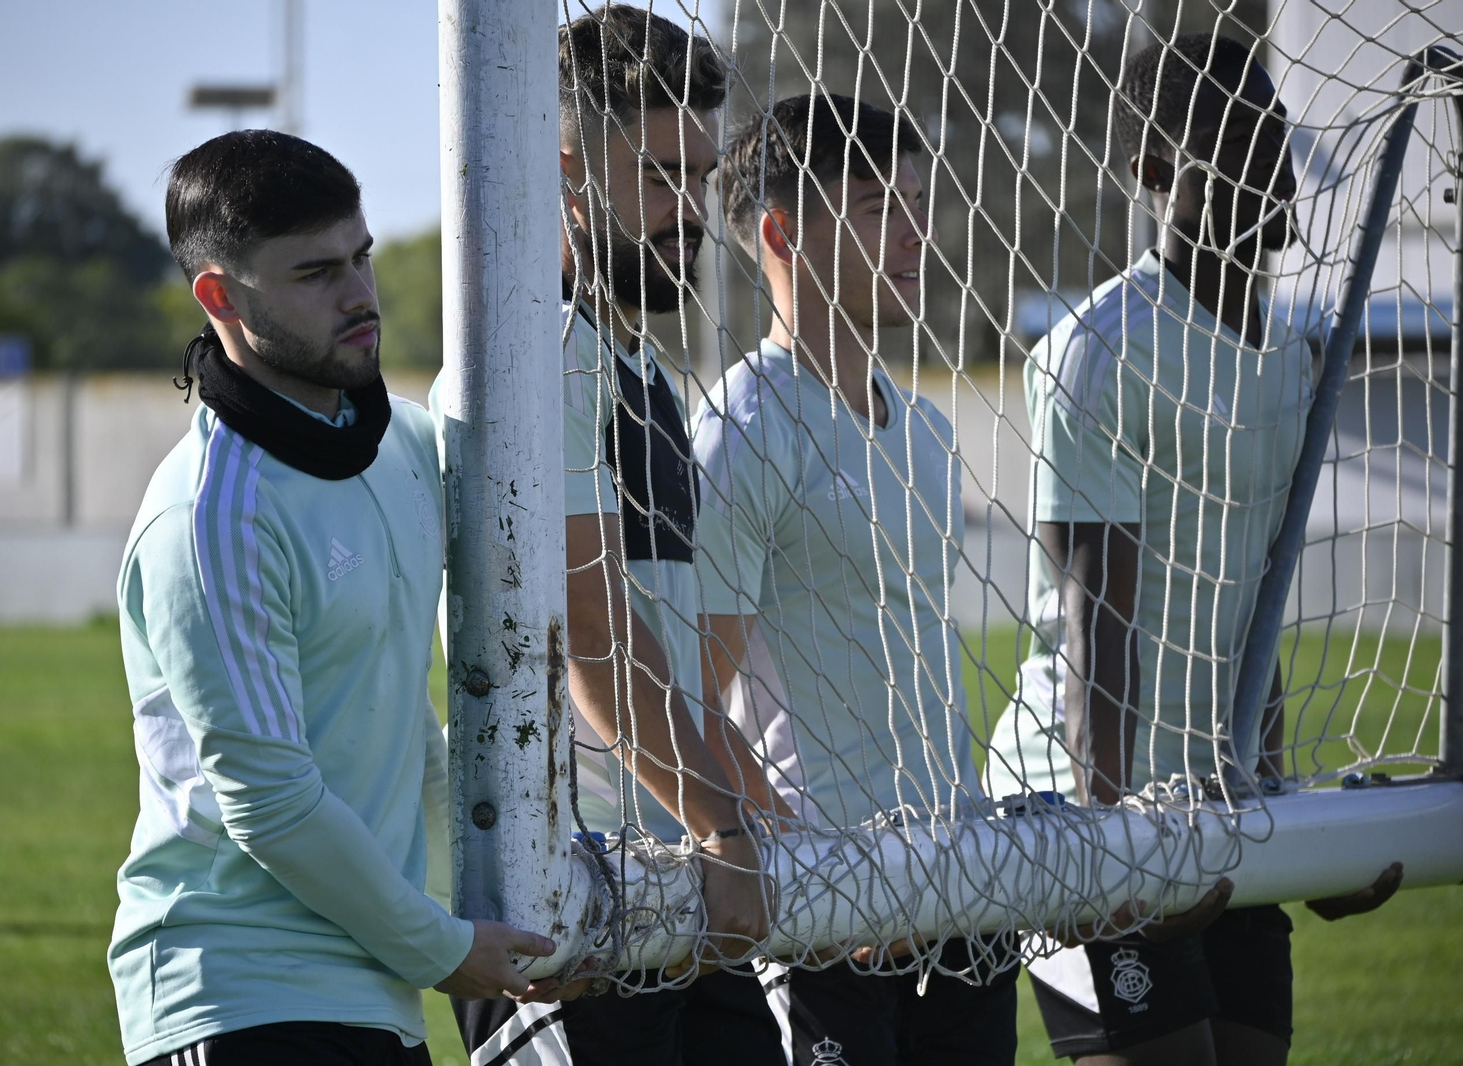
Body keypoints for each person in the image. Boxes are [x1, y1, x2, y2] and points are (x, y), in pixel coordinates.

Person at [984, 33, 1402, 1066]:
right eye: (1238, 147)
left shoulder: (1286, 354)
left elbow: (1249, 615)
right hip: (1085, 806)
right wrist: (1109, 851)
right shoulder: (1100, 349)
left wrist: (1281, 814)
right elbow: (1097, 626)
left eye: (1276, 141)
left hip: (1218, 809)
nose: (1274, 174)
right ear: (1155, 174)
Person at [109, 130, 554, 1066]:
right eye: (315, 273)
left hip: (371, 988)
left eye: (361, 257)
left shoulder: (401, 449)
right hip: (236, 993)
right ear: (220, 297)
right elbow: (270, 803)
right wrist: (442, 947)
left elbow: (402, 736)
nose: (359, 294)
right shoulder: (213, 516)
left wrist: (524, 903)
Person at [442, 6, 783, 1065]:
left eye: (698, 173)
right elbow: (590, 635)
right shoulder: (542, 356)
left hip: (663, 874)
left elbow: (670, 650)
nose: (689, 209)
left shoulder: (633, 363)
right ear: (564, 173)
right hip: (567, 900)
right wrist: (724, 827)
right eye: (658, 175)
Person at [695, 92, 1021, 1065]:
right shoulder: (739, 431)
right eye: (880, 205)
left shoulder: (922, 428)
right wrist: (813, 873)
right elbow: (692, 703)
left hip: (958, 886)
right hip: (828, 916)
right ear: (782, 230)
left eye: (918, 201)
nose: (915, 231)